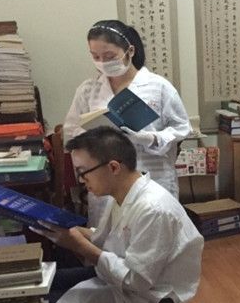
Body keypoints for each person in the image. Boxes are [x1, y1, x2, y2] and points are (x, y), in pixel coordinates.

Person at [30, 126, 203, 303]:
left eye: (83, 172)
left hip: (146, 298)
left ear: (113, 167)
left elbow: (137, 280)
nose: (81, 180)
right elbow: (103, 238)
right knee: (45, 283)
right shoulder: (125, 194)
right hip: (119, 275)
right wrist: (66, 229)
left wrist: (78, 244)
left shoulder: (153, 209)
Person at [63, 19, 191, 225]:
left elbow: (181, 128)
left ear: (129, 51)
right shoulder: (88, 90)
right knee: (108, 235)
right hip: (104, 179)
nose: (102, 62)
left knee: (153, 229)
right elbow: (70, 131)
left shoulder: (158, 87)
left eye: (109, 56)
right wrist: (94, 137)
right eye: (96, 57)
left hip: (152, 175)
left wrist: (149, 138)